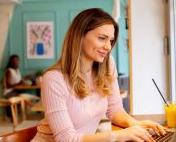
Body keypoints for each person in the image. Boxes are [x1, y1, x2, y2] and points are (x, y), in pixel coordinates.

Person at [32, 8, 166, 142]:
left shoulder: (107, 65)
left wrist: (135, 124)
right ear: (80, 36)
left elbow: (114, 110)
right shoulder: (54, 79)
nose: (108, 47)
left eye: (111, 40)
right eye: (102, 38)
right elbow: (65, 139)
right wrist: (118, 136)